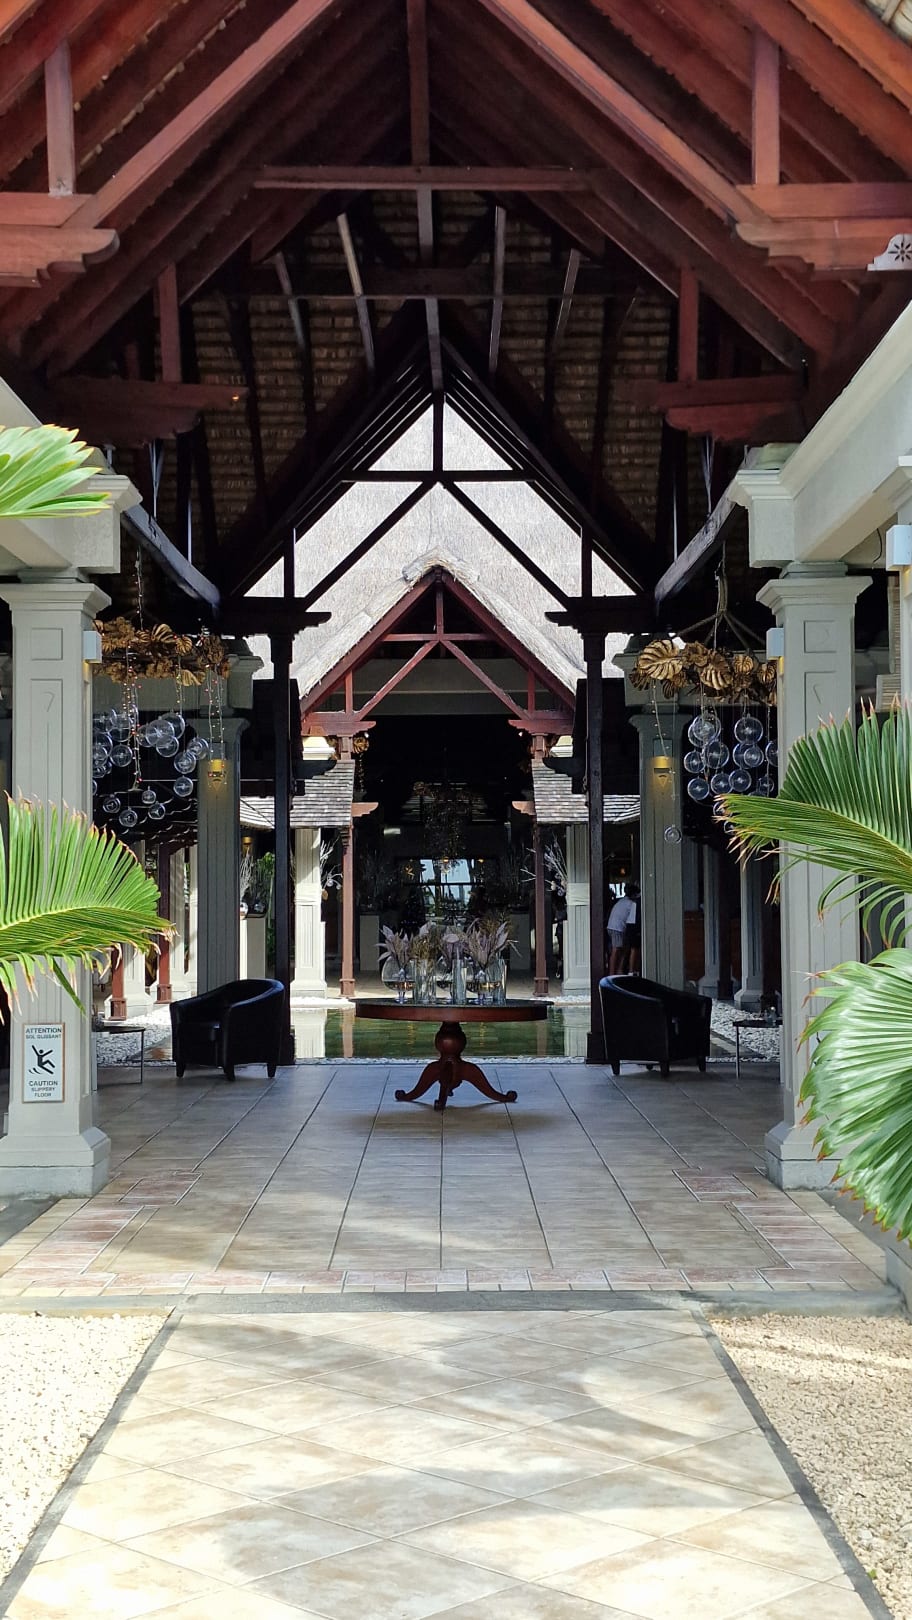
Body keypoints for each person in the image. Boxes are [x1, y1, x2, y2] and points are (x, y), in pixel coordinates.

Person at [607, 882, 638, 975]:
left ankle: (618, 970)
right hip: (618, 928)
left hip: (612, 926)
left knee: (623, 949)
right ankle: (612, 973)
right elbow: (632, 920)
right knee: (616, 950)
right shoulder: (631, 904)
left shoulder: (621, 901)